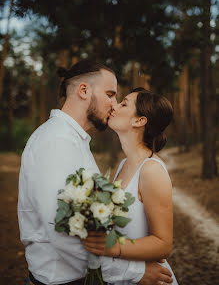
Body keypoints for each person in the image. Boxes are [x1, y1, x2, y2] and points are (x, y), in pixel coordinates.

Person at [18, 60, 173, 285]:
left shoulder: (76, 142)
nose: (113, 104)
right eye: (110, 94)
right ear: (83, 90)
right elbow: (62, 233)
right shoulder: (56, 142)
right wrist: (133, 272)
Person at [82, 87, 178, 285]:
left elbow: (163, 244)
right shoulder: (123, 165)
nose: (114, 106)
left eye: (123, 104)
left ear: (139, 121)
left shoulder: (151, 171)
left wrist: (110, 247)